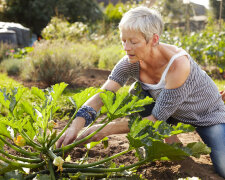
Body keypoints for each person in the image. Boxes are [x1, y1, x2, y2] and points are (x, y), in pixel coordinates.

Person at [57, 6, 225, 178]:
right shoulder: (129, 62)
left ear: (153, 39)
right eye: (123, 41)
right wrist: (74, 127)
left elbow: (155, 119)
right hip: (170, 112)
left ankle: (173, 139)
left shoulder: (177, 64)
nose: (126, 47)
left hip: (206, 114)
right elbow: (103, 95)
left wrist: (107, 128)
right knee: (136, 92)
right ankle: (172, 143)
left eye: (133, 42)